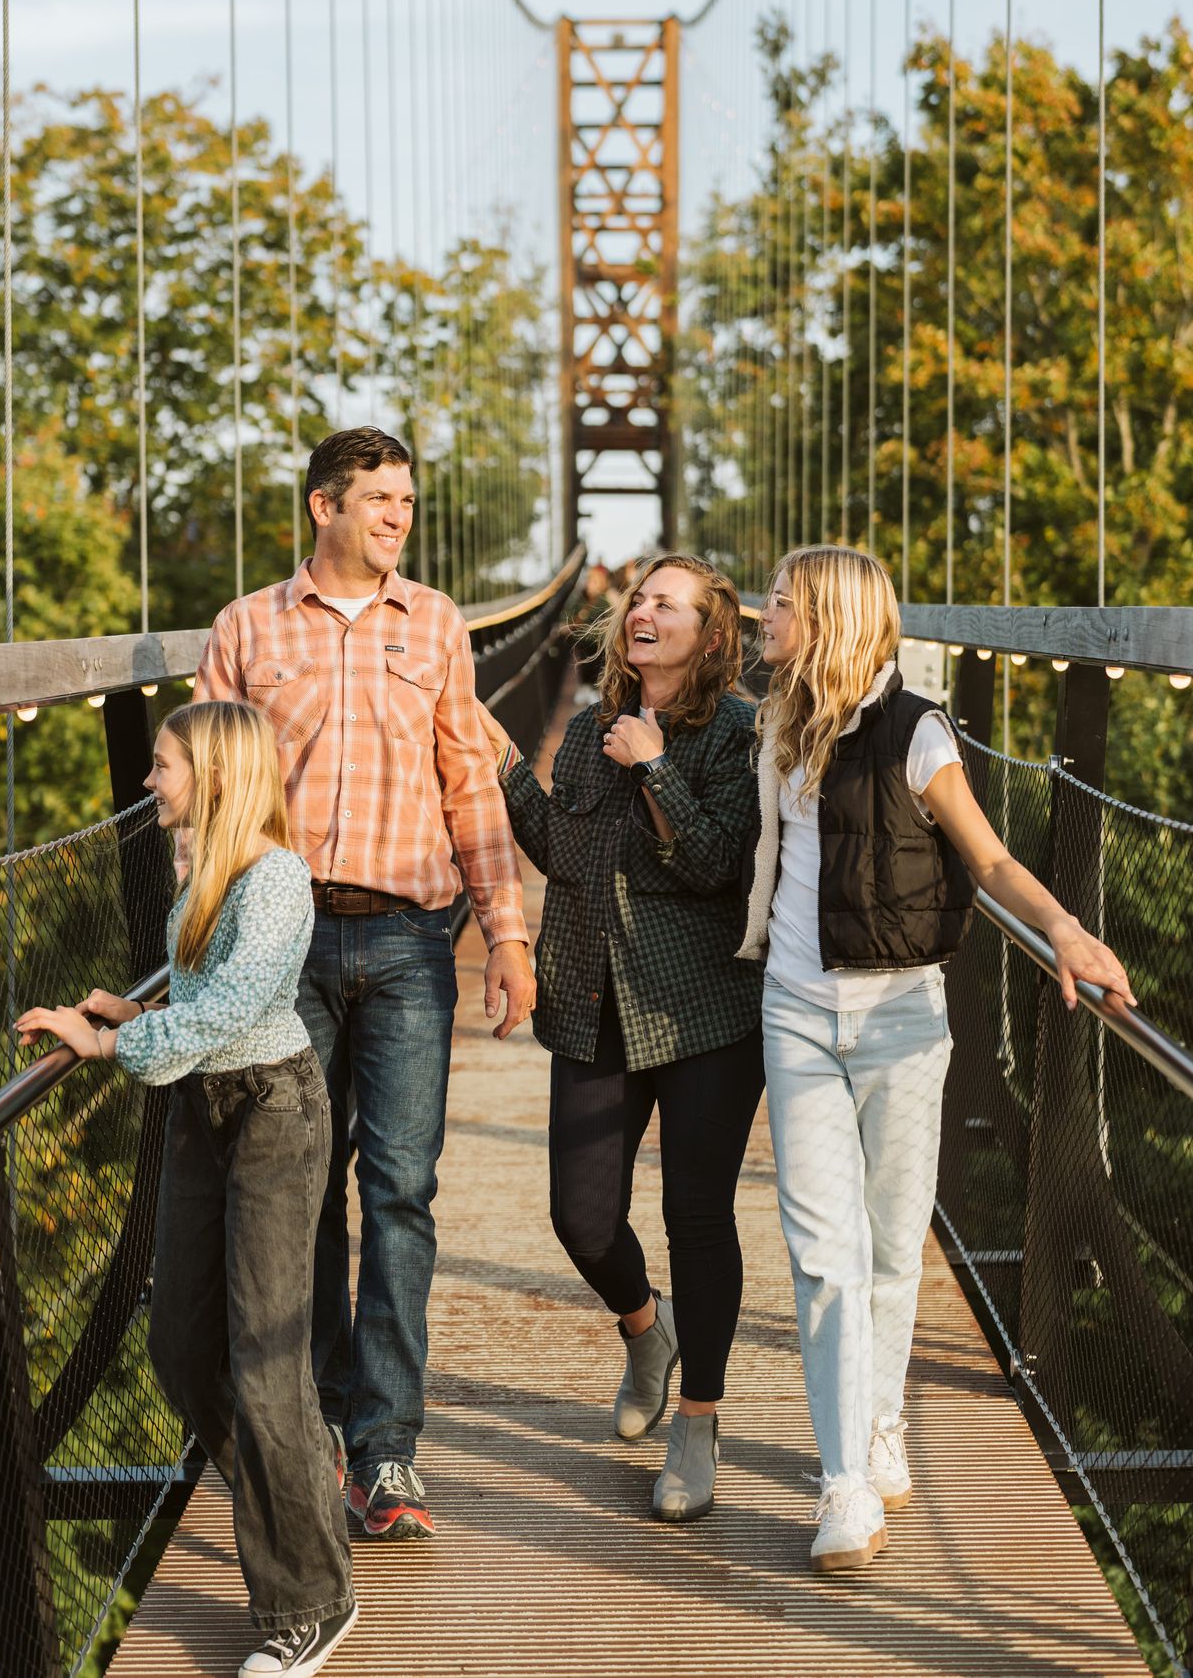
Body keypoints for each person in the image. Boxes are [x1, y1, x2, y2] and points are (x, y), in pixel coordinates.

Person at [741, 545, 1137, 1575]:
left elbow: (989, 859)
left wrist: (1062, 930)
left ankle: (879, 1426)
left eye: (777, 604)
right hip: (793, 1012)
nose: (760, 617)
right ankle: (841, 1481)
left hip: (899, 1020)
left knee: (885, 1245)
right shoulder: (777, 720)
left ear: (823, 618)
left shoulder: (916, 731)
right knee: (821, 1257)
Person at [192, 426, 536, 1542]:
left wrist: (508, 933)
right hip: (279, 945)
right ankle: (320, 1422)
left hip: (407, 943)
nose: (396, 517)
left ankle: (386, 1452)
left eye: (406, 502)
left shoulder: (434, 624)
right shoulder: (245, 628)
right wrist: (194, 952)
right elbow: (202, 796)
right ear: (320, 509)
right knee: (297, 1191)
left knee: (398, 1190)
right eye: (377, 500)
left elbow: (470, 784)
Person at [16, 701, 356, 1678]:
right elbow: (206, 997)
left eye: (161, 766)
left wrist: (112, 1042)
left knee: (264, 1359)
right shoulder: (205, 872)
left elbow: (242, 1007)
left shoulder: (276, 878)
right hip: (205, 1114)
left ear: (210, 775)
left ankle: (309, 1600)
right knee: (179, 1348)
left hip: (272, 1118)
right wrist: (132, 1008)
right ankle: (295, 1482)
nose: (148, 783)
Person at [477, 554, 763, 1524]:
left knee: (696, 1219)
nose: (641, 611)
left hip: (703, 1012)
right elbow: (564, 852)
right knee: (580, 1217)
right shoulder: (590, 729)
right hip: (591, 998)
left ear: (711, 634)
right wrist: (507, 770)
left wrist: (655, 768)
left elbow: (716, 863)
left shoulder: (737, 733)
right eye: (638, 597)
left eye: (666, 603)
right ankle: (646, 1331)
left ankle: (697, 1419)